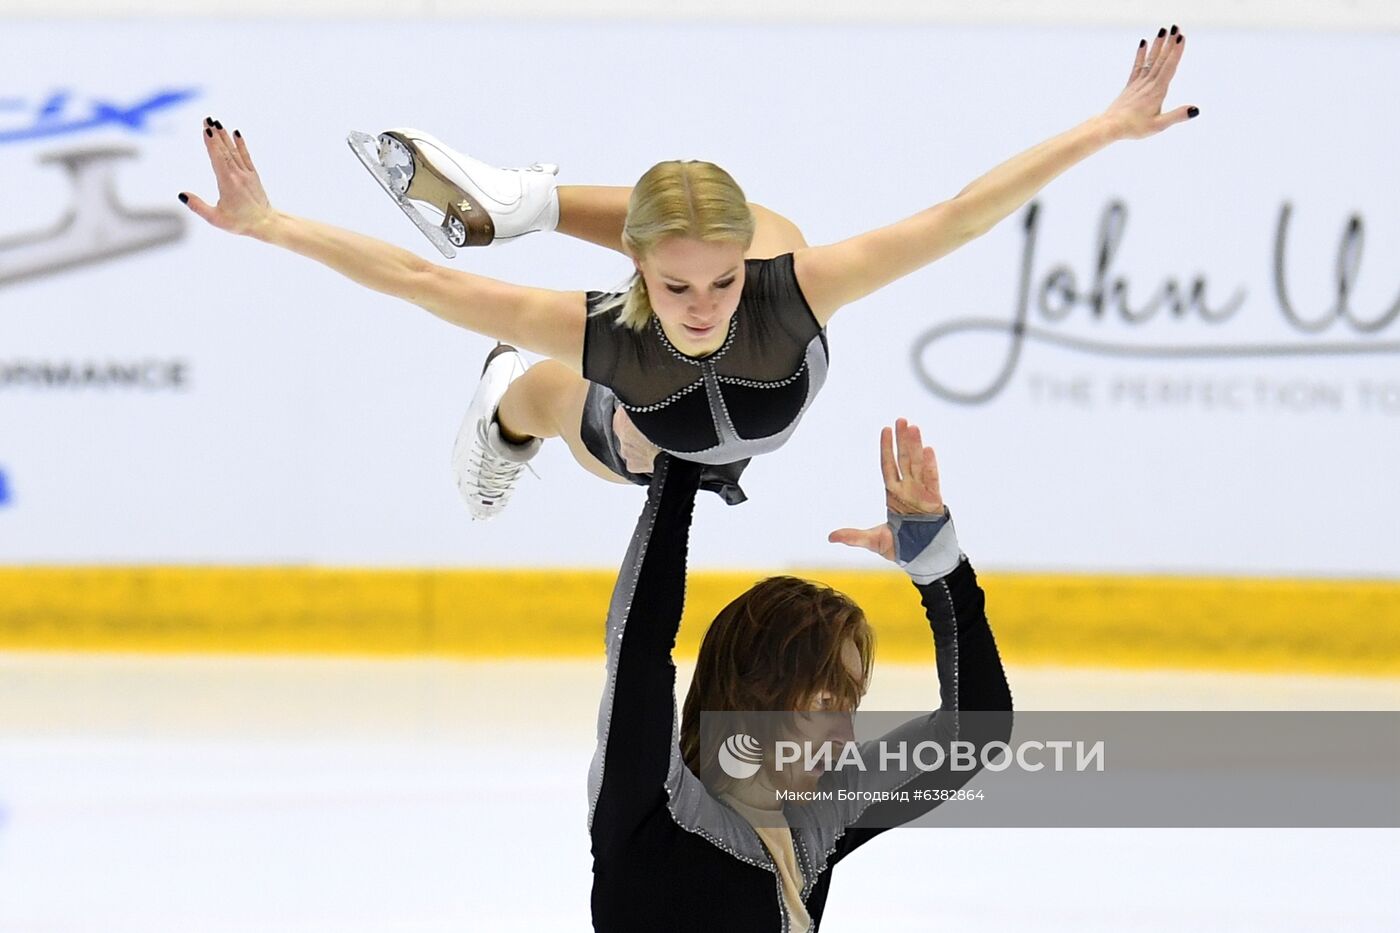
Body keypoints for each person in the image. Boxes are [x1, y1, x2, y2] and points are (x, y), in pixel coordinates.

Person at [181, 28, 1194, 517]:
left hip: (737, 406)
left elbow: (957, 217)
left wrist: (1105, 128)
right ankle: (498, 409)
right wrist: (268, 223)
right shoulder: (610, 329)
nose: (707, 306)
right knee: (539, 388)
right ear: (635, 267)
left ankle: (522, 204)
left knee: (777, 234)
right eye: (676, 286)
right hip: (637, 443)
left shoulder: (785, 287)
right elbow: (420, 281)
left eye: (721, 283)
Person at [587, 418, 1013, 931]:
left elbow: (976, 733)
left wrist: (941, 571)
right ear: (753, 691)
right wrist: (677, 468)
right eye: (824, 705)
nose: (845, 737)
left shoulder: (817, 826)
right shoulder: (652, 815)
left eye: (848, 707)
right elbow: (639, 651)